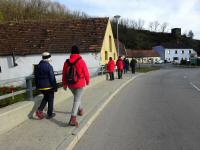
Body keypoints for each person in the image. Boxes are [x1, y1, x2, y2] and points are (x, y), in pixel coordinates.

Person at [62, 45, 90, 127]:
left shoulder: (67, 62)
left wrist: (64, 84)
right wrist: (87, 81)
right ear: (78, 52)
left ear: (71, 52)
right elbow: (86, 72)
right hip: (79, 83)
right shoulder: (81, 61)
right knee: (76, 100)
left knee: (77, 97)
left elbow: (64, 74)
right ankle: (73, 119)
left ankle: (80, 110)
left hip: (70, 84)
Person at [35, 52, 57, 120]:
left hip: (41, 86)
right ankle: (50, 114)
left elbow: (36, 77)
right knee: (50, 99)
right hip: (49, 86)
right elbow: (52, 77)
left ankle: (39, 110)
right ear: (48, 58)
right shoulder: (49, 66)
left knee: (46, 98)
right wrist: (55, 86)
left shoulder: (38, 66)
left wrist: (37, 86)